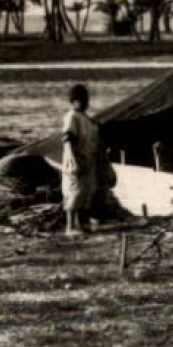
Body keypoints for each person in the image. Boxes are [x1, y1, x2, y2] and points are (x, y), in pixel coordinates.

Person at [61, 84, 100, 236]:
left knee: (85, 192)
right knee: (74, 192)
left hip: (87, 159)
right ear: (74, 101)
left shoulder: (85, 119)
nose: (85, 103)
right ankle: (70, 226)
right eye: (81, 100)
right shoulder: (71, 117)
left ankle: (80, 224)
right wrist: (71, 157)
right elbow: (68, 138)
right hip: (75, 159)